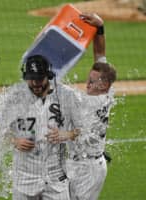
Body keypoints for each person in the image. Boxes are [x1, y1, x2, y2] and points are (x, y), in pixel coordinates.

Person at [47, 13, 116, 200]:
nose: (87, 84)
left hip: (88, 171)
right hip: (77, 162)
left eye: (92, 81)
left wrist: (64, 135)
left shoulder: (91, 102)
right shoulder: (107, 89)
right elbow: (100, 55)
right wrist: (99, 27)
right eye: (89, 79)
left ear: (104, 85)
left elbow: (81, 129)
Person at [0, 54, 84, 200]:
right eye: (30, 79)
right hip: (24, 180)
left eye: (39, 79)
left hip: (56, 180)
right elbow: (1, 133)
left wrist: (67, 135)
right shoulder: (15, 99)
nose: (34, 83)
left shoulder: (67, 96)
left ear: (49, 76)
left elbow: (84, 129)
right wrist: (15, 141)